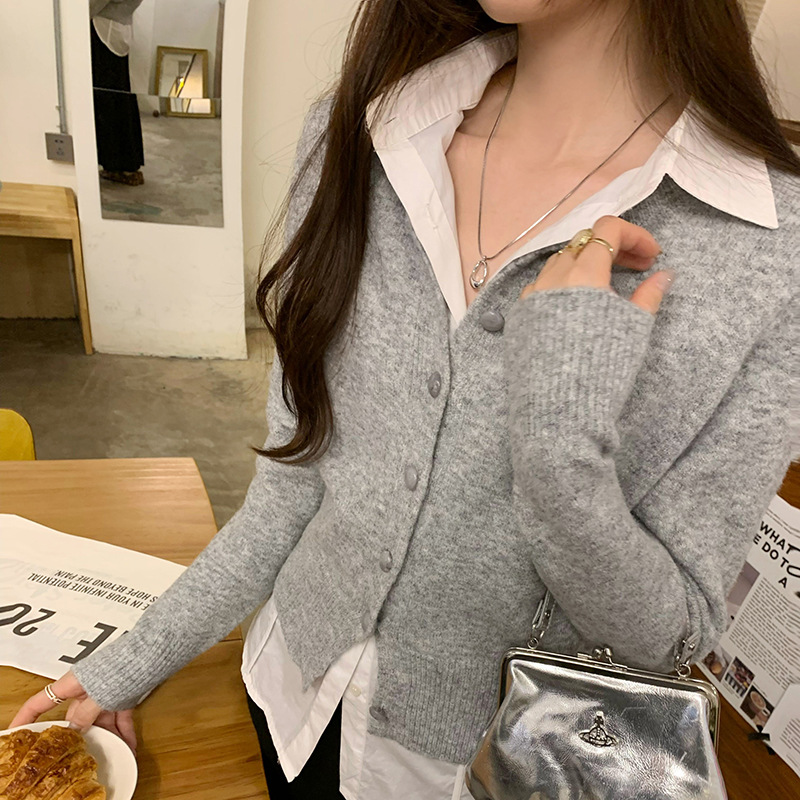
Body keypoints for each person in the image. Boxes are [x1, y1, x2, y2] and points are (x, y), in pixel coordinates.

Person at [12, 1, 799, 798]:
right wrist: (134, 659)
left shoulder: (771, 248)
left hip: (484, 770)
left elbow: (670, 637)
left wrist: (560, 449)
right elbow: (293, 485)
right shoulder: (363, 134)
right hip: (286, 705)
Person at [90, 0, 146, 185]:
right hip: (118, 27)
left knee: (107, 98)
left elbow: (92, 5)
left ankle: (118, 163)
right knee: (119, 95)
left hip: (103, 29)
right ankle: (124, 163)